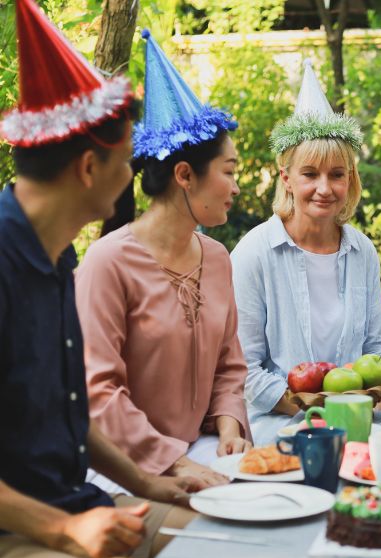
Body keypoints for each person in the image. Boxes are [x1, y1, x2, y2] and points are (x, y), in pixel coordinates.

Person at [0, 2, 201, 558]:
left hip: (81, 507)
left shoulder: (60, 255)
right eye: (126, 158)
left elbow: (68, 410)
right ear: (89, 168)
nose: (135, 172)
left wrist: (149, 482)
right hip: (23, 531)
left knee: (246, 544)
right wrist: (65, 530)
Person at [75, 30, 251, 491]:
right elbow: (100, 393)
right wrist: (170, 461)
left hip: (205, 457)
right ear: (185, 175)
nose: (236, 188)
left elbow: (230, 364)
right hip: (124, 473)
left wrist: (230, 421)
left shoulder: (216, 258)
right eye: (229, 173)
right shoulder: (107, 262)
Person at [231, 60, 381, 446]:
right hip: (282, 420)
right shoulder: (255, 253)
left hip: (357, 414)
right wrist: (316, 411)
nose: (325, 188)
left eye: (337, 174)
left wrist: (359, 399)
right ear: (286, 178)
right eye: (310, 174)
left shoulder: (361, 251)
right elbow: (244, 368)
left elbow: (378, 350)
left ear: (350, 179)